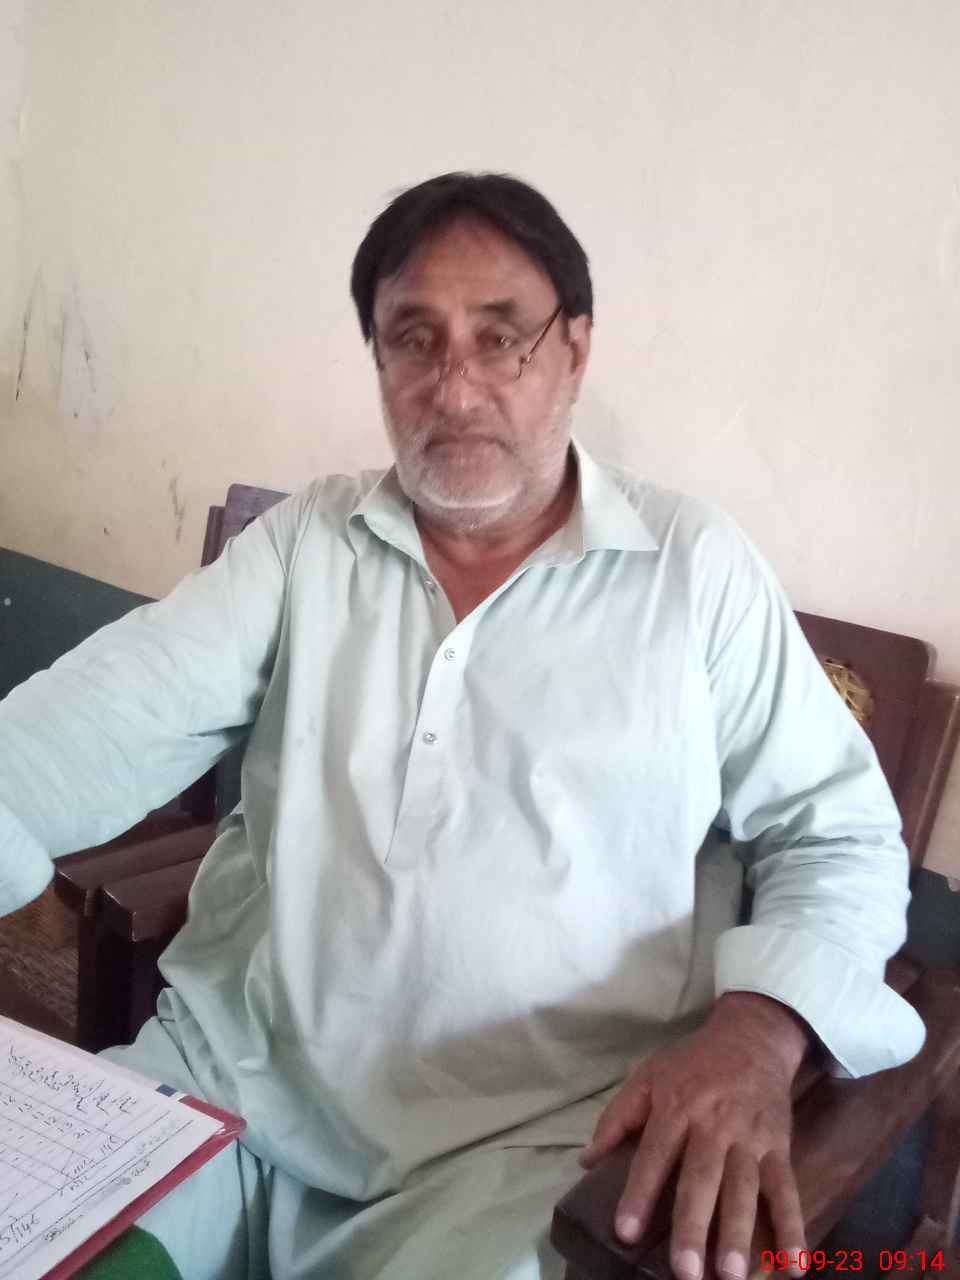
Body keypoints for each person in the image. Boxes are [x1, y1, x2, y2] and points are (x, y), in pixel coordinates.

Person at [0, 172, 924, 1280]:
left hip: (531, 1155)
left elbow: (836, 835)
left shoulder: (693, 573)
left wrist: (758, 1032)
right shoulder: (309, 544)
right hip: (232, 1092)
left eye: (501, 339)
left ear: (575, 350)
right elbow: (88, 724)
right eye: (414, 339)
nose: (455, 387)